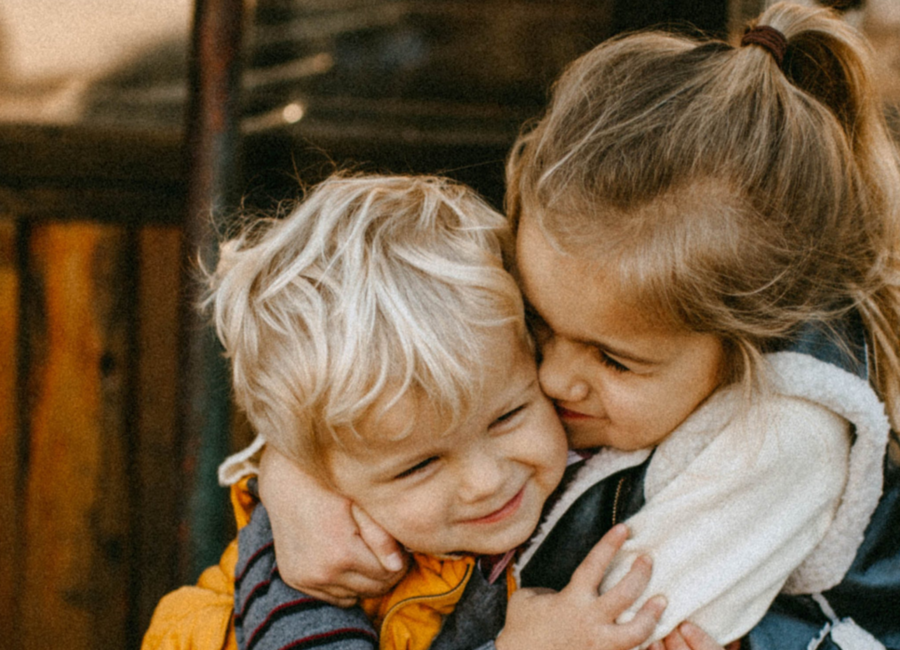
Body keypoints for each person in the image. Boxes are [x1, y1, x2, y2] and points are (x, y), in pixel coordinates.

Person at [257, 3, 900, 649]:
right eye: (537, 321)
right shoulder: (585, 271)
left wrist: (293, 584)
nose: (554, 378)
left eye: (614, 361)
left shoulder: (781, 440)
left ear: (745, 345)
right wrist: (292, 477)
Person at [141, 174, 669, 650]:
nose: (486, 481)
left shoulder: (592, 434)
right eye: (420, 465)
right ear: (328, 478)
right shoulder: (323, 567)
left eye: (507, 416)